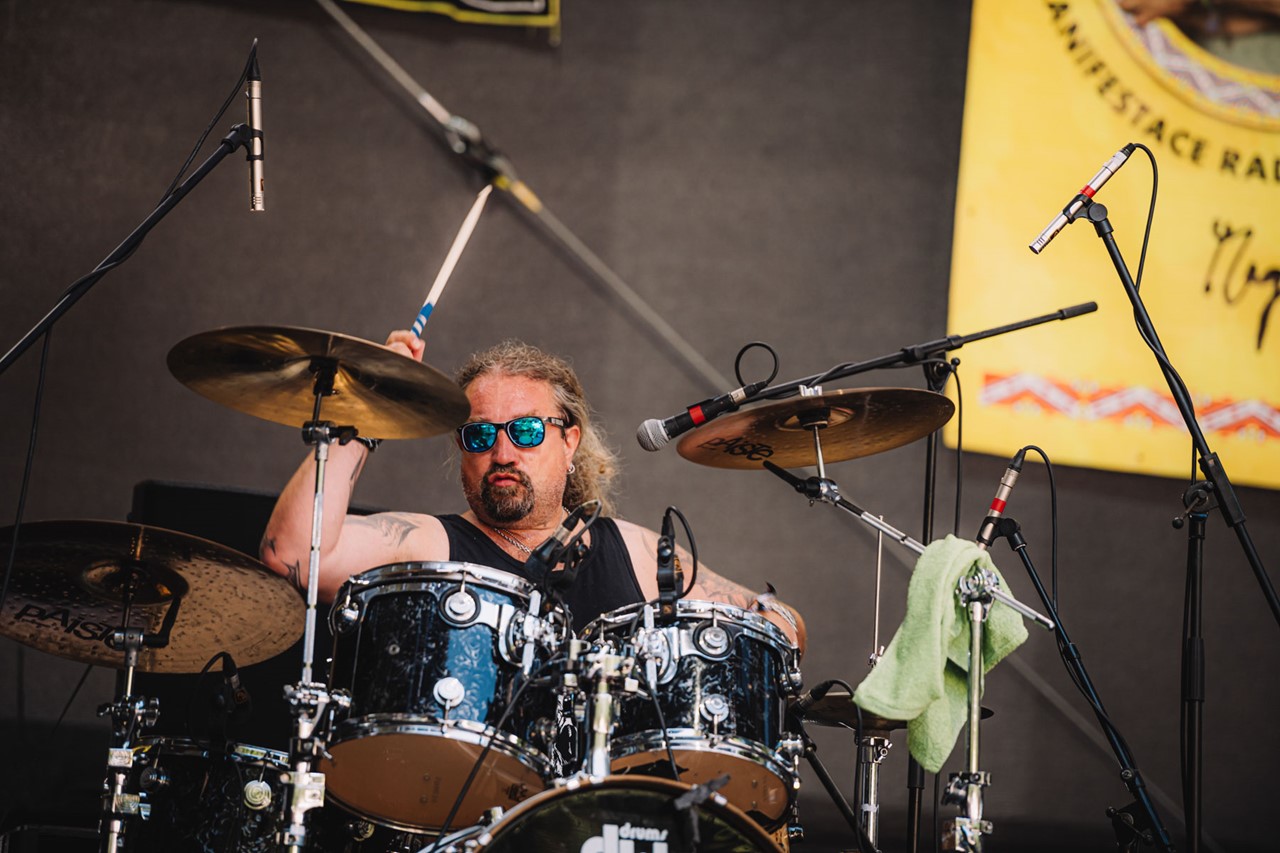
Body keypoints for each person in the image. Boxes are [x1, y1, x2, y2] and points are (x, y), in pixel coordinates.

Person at [260, 332, 806, 652]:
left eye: (525, 431)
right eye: (480, 435)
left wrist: (770, 623)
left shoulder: (636, 552)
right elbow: (292, 556)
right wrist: (366, 411)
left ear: (570, 440)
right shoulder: (430, 544)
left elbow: (781, 625)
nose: (502, 452)